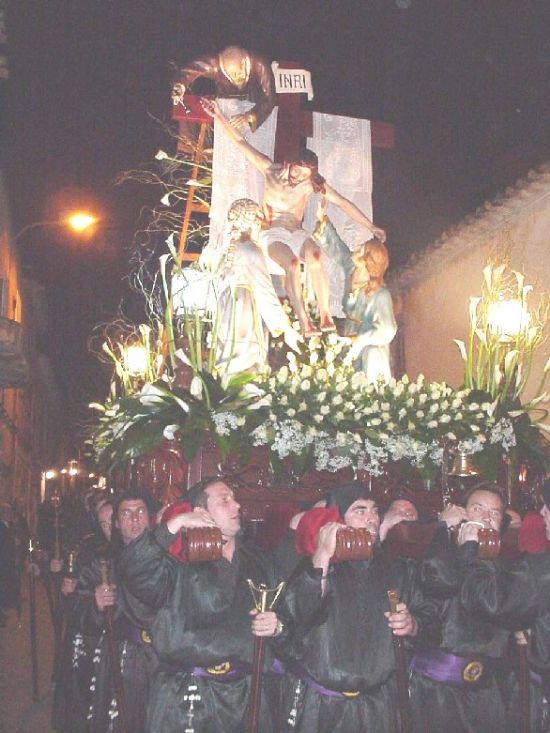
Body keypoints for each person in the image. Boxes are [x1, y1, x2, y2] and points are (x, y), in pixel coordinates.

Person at [203, 98, 386, 338]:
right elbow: (240, 142)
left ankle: (324, 314)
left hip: (296, 232)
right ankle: (303, 319)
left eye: (305, 175)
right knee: (290, 264)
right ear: (289, 165)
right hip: (272, 232)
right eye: (297, 173)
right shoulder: (270, 170)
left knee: (315, 256)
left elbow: (343, 203)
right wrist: (218, 116)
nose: (299, 179)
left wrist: (371, 225)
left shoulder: (311, 184)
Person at [118, 476, 285, 732]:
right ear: (200, 512)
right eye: (224, 500)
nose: (237, 506)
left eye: (235, 499)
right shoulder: (178, 560)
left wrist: (278, 626)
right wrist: (174, 523)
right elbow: (135, 571)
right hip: (187, 694)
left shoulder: (259, 560)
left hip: (247, 693)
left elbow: (289, 612)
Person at [277, 481, 437, 732]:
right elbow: (297, 615)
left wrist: (413, 625)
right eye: (359, 511)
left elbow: (429, 619)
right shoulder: (315, 567)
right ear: (336, 519)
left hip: (378, 705)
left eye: (374, 511)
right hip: (320, 706)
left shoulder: (399, 569)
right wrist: (322, 557)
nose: (371, 518)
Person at [410, 482, 512, 733]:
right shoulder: (441, 554)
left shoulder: (505, 564)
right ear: (463, 514)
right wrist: (460, 542)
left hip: (487, 689)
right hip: (439, 691)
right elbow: (440, 583)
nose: (487, 518)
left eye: (495, 513)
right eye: (478, 509)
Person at [457, 480, 550, 733]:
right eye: (478, 510)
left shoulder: (539, 567)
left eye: (547, 507)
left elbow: (489, 601)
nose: (542, 513)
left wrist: (471, 551)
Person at [73, 488, 160, 733]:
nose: (135, 519)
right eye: (126, 513)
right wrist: (96, 604)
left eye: (140, 511)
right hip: (120, 660)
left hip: (161, 659)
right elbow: (79, 614)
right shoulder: (102, 564)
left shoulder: (169, 560)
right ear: (117, 524)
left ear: (150, 518)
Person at [215, 198, 302, 374]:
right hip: (244, 311)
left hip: (228, 310)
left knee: (229, 356)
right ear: (252, 222)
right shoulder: (251, 251)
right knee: (246, 360)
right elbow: (264, 290)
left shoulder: (230, 249)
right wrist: (285, 327)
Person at [51, 500, 114, 733]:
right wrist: (63, 582)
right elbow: (75, 592)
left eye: (111, 522)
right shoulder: (89, 549)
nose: (109, 529)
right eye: (103, 523)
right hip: (91, 636)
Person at [313, 212, 397, 381]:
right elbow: (338, 249)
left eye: (361, 249)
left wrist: (361, 340)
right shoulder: (353, 269)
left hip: (368, 348)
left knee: (367, 371)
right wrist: (322, 220)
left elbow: (387, 330)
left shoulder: (380, 295)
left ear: (366, 260)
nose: (356, 248)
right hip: (349, 336)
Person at [172, 45, 276, 132]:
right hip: (226, 106)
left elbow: (269, 98)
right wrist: (180, 85)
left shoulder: (259, 64)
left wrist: (250, 116)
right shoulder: (215, 66)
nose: (236, 77)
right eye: (231, 74)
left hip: (254, 107)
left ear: (244, 63)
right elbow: (189, 70)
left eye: (238, 73)